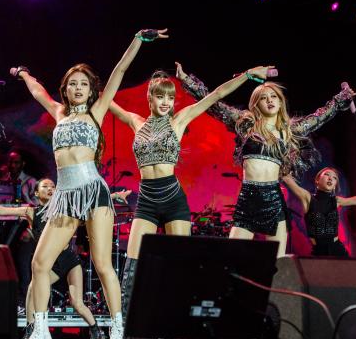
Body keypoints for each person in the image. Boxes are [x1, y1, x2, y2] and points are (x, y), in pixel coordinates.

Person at [12, 28, 167, 339]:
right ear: (66, 89)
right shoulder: (57, 112)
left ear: (91, 90)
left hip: (93, 191)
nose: (78, 88)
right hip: (65, 196)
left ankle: (118, 330)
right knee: (40, 264)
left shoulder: (98, 112)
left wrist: (138, 40)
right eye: (73, 83)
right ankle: (40, 332)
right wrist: (24, 73)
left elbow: (119, 71)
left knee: (101, 263)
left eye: (84, 83)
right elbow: (38, 91)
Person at [109, 64, 273, 317]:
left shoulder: (179, 120)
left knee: (180, 263)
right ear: (149, 97)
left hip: (173, 198)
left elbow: (216, 95)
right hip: (147, 200)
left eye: (170, 97)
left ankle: (179, 321)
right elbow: (105, 98)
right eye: (160, 96)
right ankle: (125, 328)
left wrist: (248, 74)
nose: (166, 102)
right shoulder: (135, 122)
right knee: (133, 264)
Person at [178, 65, 356, 257]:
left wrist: (341, 98)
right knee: (231, 255)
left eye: (273, 97)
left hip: (273, 198)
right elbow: (213, 104)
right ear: (256, 104)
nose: (269, 100)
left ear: (280, 103)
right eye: (263, 98)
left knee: (277, 262)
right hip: (248, 197)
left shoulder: (290, 130)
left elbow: (319, 117)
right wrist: (186, 80)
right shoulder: (245, 124)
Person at [0, 179, 131, 339]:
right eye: (45, 187)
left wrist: (113, 196)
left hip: (69, 260)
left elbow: (89, 200)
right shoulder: (32, 212)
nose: (50, 189)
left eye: (53, 186)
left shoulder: (64, 209)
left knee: (77, 302)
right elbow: (3, 211)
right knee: (33, 288)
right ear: (36, 193)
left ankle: (96, 332)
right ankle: (32, 331)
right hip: (51, 264)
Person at [283, 167, 356, 256]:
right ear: (317, 180)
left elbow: (353, 200)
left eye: (334, 178)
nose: (330, 178)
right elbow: (287, 180)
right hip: (319, 252)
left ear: (334, 186)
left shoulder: (336, 201)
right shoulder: (308, 198)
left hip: (338, 250)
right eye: (326, 175)